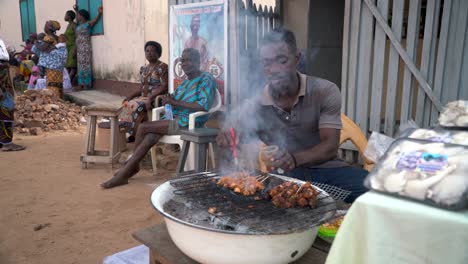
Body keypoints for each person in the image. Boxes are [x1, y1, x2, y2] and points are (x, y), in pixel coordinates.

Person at [216, 28, 368, 203]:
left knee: (376, 192)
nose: (273, 69)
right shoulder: (255, 105)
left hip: (329, 170)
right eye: (266, 63)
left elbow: (330, 147)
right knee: (265, 203)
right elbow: (232, 138)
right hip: (286, 175)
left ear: (297, 58)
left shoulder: (324, 90)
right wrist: (226, 138)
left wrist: (294, 159)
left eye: (282, 60)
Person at [101, 48, 217, 189]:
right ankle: (129, 170)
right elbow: (175, 99)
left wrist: (175, 103)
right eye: (183, 60)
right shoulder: (186, 82)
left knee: (144, 127)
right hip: (174, 119)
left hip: (189, 123)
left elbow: (203, 106)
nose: (185, 63)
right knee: (150, 136)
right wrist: (168, 100)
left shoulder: (206, 79)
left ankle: (128, 168)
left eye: (189, 60)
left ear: (199, 62)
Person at [119, 41, 168, 143]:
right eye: (147, 51)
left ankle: (137, 136)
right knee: (127, 104)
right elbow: (142, 87)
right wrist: (130, 96)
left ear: (159, 53)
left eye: (152, 51)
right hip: (144, 97)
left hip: (157, 98)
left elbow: (164, 86)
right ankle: (134, 133)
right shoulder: (143, 69)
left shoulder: (162, 67)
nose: (149, 53)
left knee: (136, 106)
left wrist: (150, 98)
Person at [0, 37, 25, 151]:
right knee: (7, 108)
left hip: (4, 76)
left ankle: (3, 141)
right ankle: (6, 143)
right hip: (2, 81)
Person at [32, 24, 68, 98]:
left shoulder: (49, 37)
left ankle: (54, 98)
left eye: (45, 25)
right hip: (58, 65)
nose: (44, 27)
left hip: (52, 65)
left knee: (52, 82)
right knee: (57, 81)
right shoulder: (56, 37)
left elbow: (42, 48)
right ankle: (59, 97)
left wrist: (35, 42)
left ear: (49, 28)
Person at [74, 5, 103, 90]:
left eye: (78, 15)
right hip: (79, 49)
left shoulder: (87, 24)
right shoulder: (79, 26)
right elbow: (77, 38)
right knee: (80, 66)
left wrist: (99, 13)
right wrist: (76, 11)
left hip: (85, 48)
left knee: (86, 66)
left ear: (82, 16)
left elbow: (95, 20)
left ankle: (86, 84)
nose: (77, 17)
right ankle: (81, 84)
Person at [64, 10, 77, 84]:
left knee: (73, 66)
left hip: (73, 47)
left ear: (69, 16)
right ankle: (68, 83)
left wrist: (75, 49)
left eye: (66, 15)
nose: (65, 16)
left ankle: (68, 82)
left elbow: (77, 37)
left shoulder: (74, 25)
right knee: (68, 66)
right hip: (68, 48)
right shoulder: (68, 25)